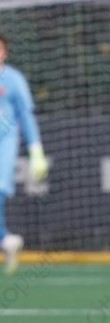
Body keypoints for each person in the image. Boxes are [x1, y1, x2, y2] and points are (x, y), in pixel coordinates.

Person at [0, 33, 49, 275]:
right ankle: (5, 239)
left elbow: (26, 116)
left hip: (5, 143)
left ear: (5, 52)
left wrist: (36, 150)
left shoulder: (14, 79)